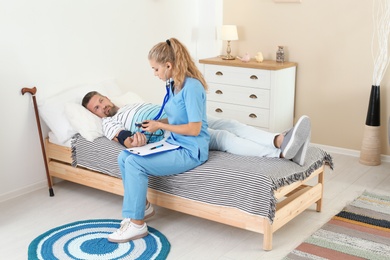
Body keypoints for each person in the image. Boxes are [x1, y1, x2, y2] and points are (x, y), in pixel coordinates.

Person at [95, 38, 210, 243]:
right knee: (124, 156)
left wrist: (161, 126)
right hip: (175, 142)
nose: (155, 74)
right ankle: (144, 208)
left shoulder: (191, 87)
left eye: (156, 69)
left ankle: (137, 225)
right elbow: (177, 118)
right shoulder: (175, 84)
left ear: (169, 65)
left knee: (135, 163)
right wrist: (155, 123)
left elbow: (194, 128)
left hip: (191, 149)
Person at [82, 94, 311, 164]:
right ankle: (279, 154)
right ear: (94, 114)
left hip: (180, 114)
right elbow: (125, 140)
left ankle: (279, 140)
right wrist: (134, 141)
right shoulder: (108, 122)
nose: (103, 107)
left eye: (102, 101)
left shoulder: (131, 103)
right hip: (172, 130)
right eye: (97, 108)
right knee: (222, 137)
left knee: (230, 123)